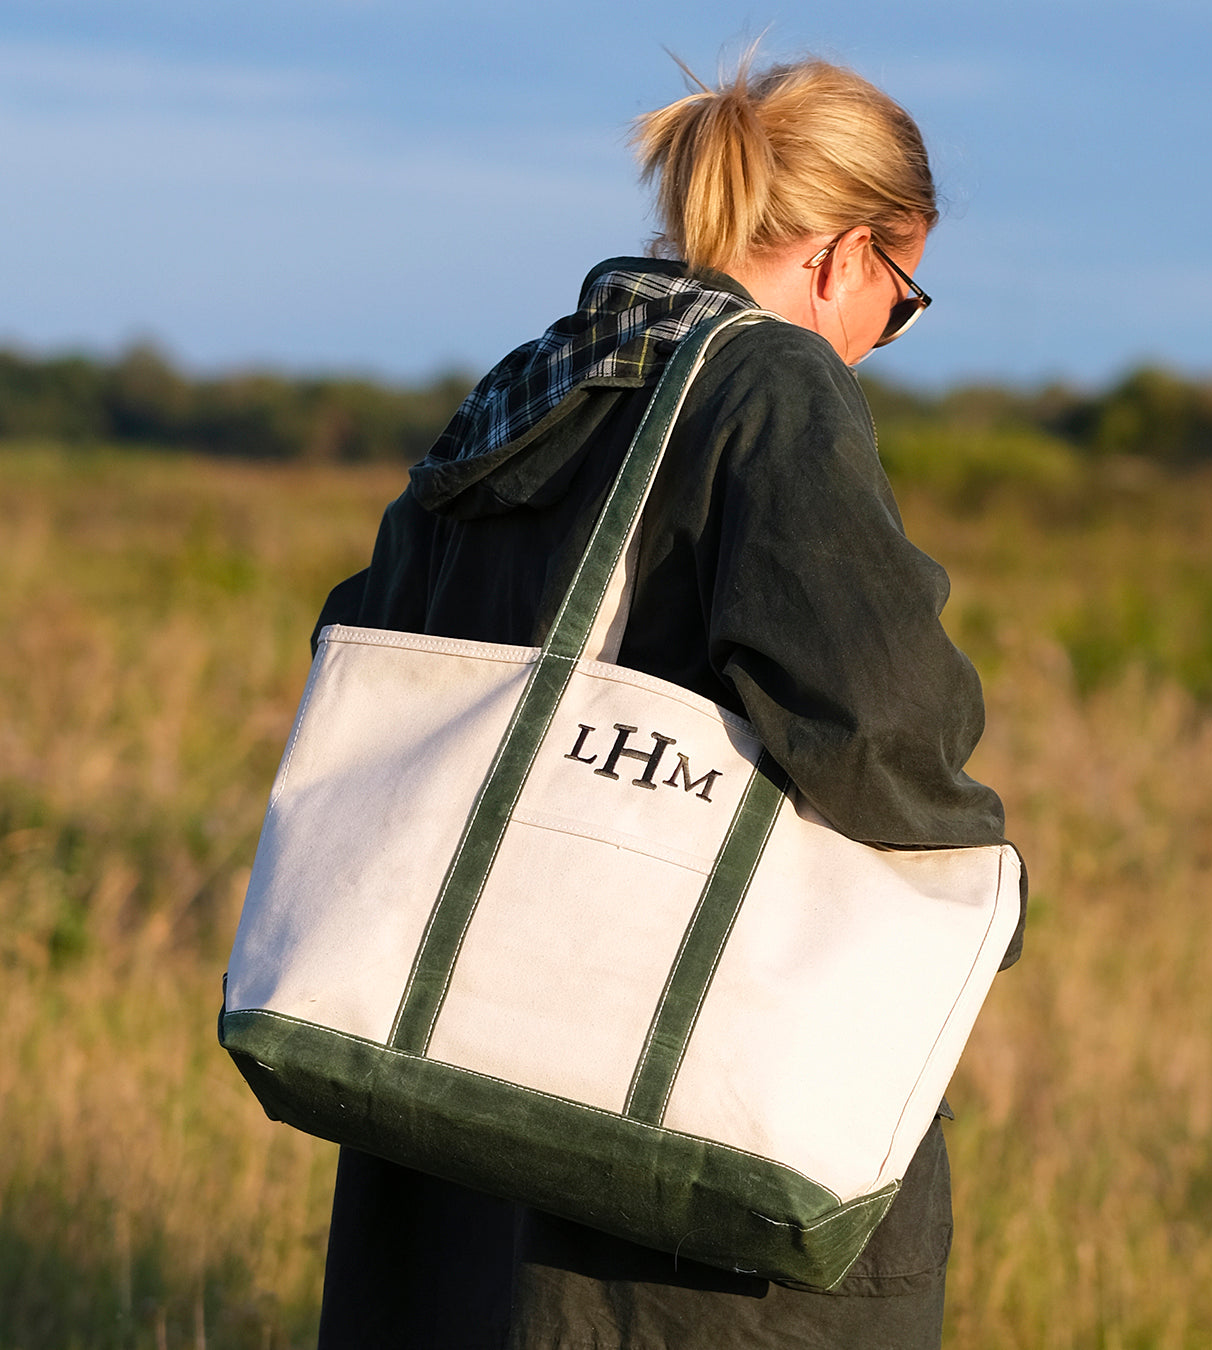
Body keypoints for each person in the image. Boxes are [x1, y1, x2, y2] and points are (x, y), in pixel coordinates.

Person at [313, 52, 1023, 1350]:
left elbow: (365, 638)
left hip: (453, 1069)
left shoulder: (531, 383)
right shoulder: (769, 389)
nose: (878, 341)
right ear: (843, 256)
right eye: (900, 300)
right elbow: (877, 722)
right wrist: (978, 897)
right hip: (665, 1119)